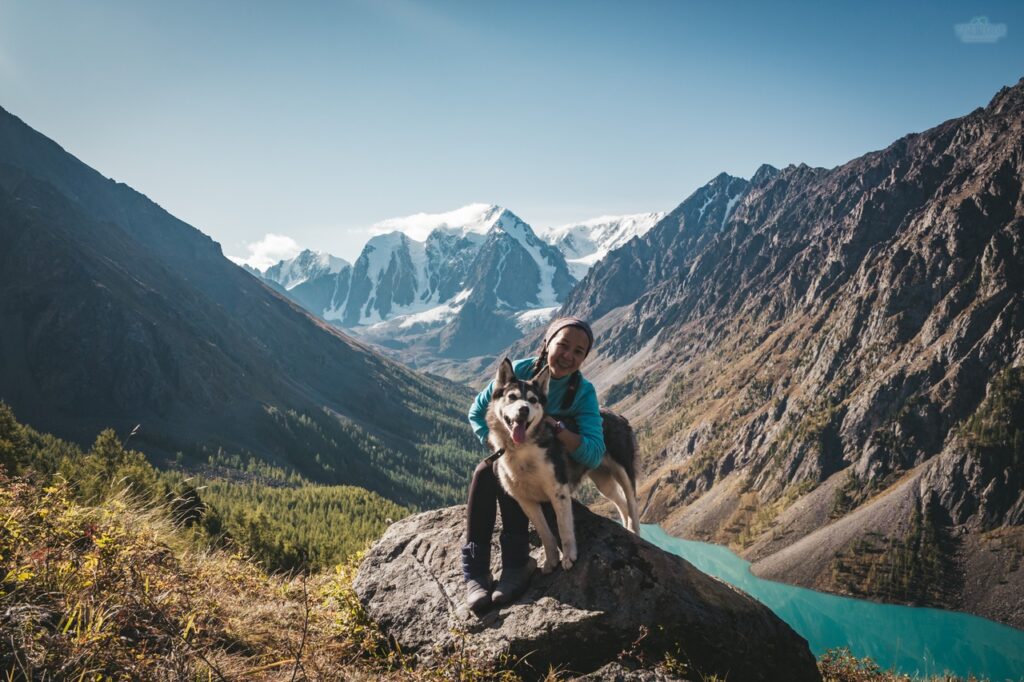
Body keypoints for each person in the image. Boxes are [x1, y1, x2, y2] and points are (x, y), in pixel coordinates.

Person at [462, 317, 605, 611]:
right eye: (562, 345)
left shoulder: (583, 392)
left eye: (578, 352)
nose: (568, 355)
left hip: (553, 470)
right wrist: (499, 445)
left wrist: (560, 430)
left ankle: (516, 563)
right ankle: (476, 571)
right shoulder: (520, 372)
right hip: (513, 452)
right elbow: (478, 412)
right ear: (547, 342)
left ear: (584, 358)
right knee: (488, 472)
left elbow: (594, 453)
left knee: (516, 473)